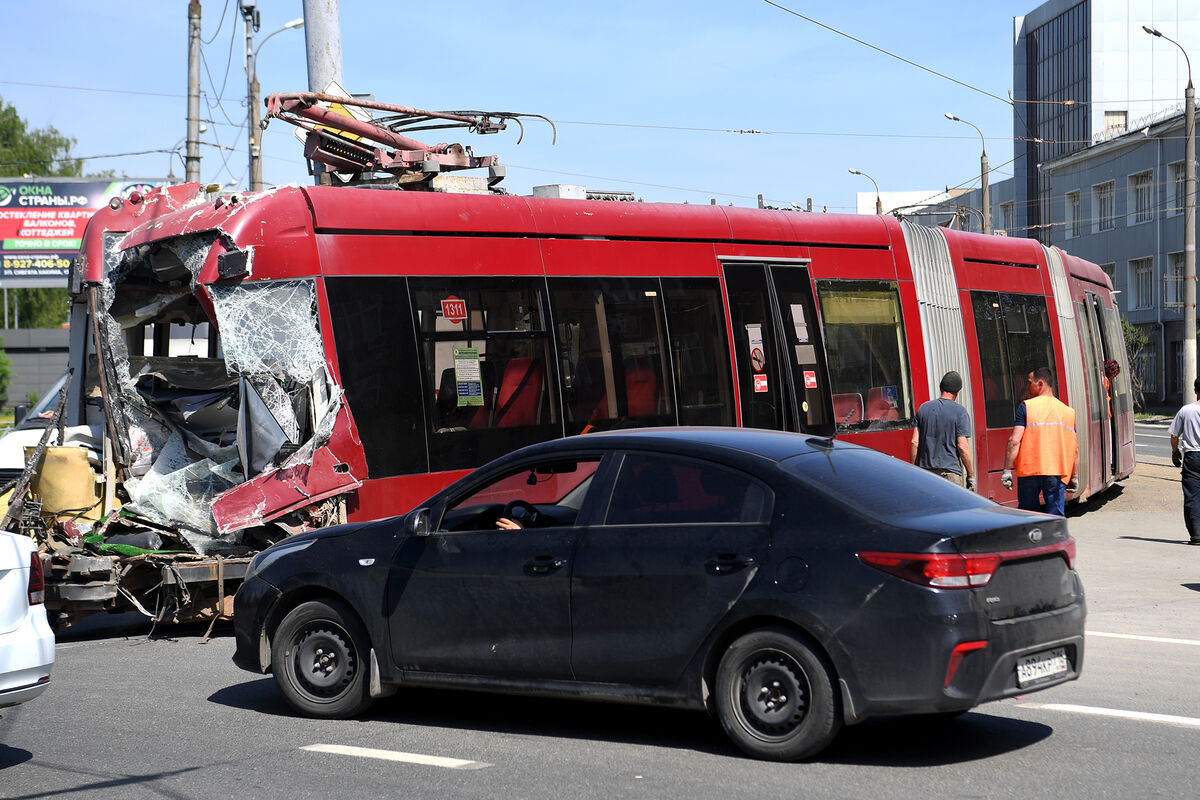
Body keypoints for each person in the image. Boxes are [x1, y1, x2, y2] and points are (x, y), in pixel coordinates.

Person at [1001, 367, 1078, 516]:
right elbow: (1075, 449)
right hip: (1056, 472)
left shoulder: (1026, 407)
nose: (1027, 387)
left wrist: (1006, 470)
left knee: (1028, 517)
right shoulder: (1068, 412)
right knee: (1055, 518)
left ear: (1040, 383)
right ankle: (1054, 539)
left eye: (1030, 383)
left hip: (1028, 472)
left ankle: (1031, 539)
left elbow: (1014, 441)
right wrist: (1074, 476)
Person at [910, 370, 976, 490]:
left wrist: (915, 469)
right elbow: (962, 446)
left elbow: (915, 442)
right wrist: (970, 474)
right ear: (958, 391)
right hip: (950, 474)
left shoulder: (923, 408)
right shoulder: (960, 412)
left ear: (940, 387)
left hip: (926, 473)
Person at [1169, 376, 1200, 545]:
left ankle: (1196, 535)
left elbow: (1174, 436)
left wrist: (1175, 453)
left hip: (1192, 457)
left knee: (1193, 496)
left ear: (1195, 391)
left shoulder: (1186, 411)